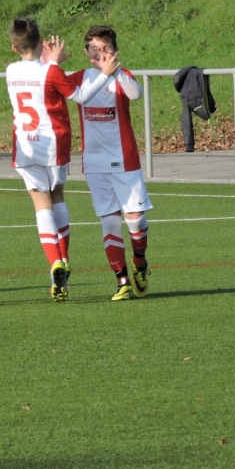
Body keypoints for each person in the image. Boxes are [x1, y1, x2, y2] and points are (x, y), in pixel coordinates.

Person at [5, 17, 118, 301]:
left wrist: (52, 63)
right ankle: (64, 258)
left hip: (26, 146)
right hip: (53, 144)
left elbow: (39, 76)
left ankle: (54, 261)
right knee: (57, 195)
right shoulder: (51, 71)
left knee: (40, 202)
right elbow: (80, 96)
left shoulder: (11, 70)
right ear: (41, 41)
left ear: (14, 48)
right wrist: (105, 74)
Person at [76, 25, 153, 301]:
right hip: (95, 163)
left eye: (106, 48)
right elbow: (57, 87)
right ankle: (122, 281)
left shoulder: (123, 76)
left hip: (124, 160)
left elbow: (136, 93)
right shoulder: (80, 78)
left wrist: (114, 71)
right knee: (110, 222)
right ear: (86, 52)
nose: (100, 54)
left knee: (136, 220)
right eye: (95, 49)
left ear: (115, 51)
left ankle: (139, 259)